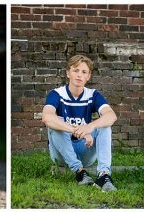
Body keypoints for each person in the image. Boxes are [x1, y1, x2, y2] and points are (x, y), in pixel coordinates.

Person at [41, 54, 119, 192]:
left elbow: (111, 116)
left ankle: (104, 175)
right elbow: (46, 117)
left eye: (84, 72)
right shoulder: (56, 94)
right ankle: (79, 172)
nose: (79, 75)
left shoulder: (93, 95)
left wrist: (90, 127)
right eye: (75, 70)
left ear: (88, 76)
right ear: (68, 73)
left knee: (104, 125)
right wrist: (79, 132)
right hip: (62, 153)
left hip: (85, 151)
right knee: (55, 122)